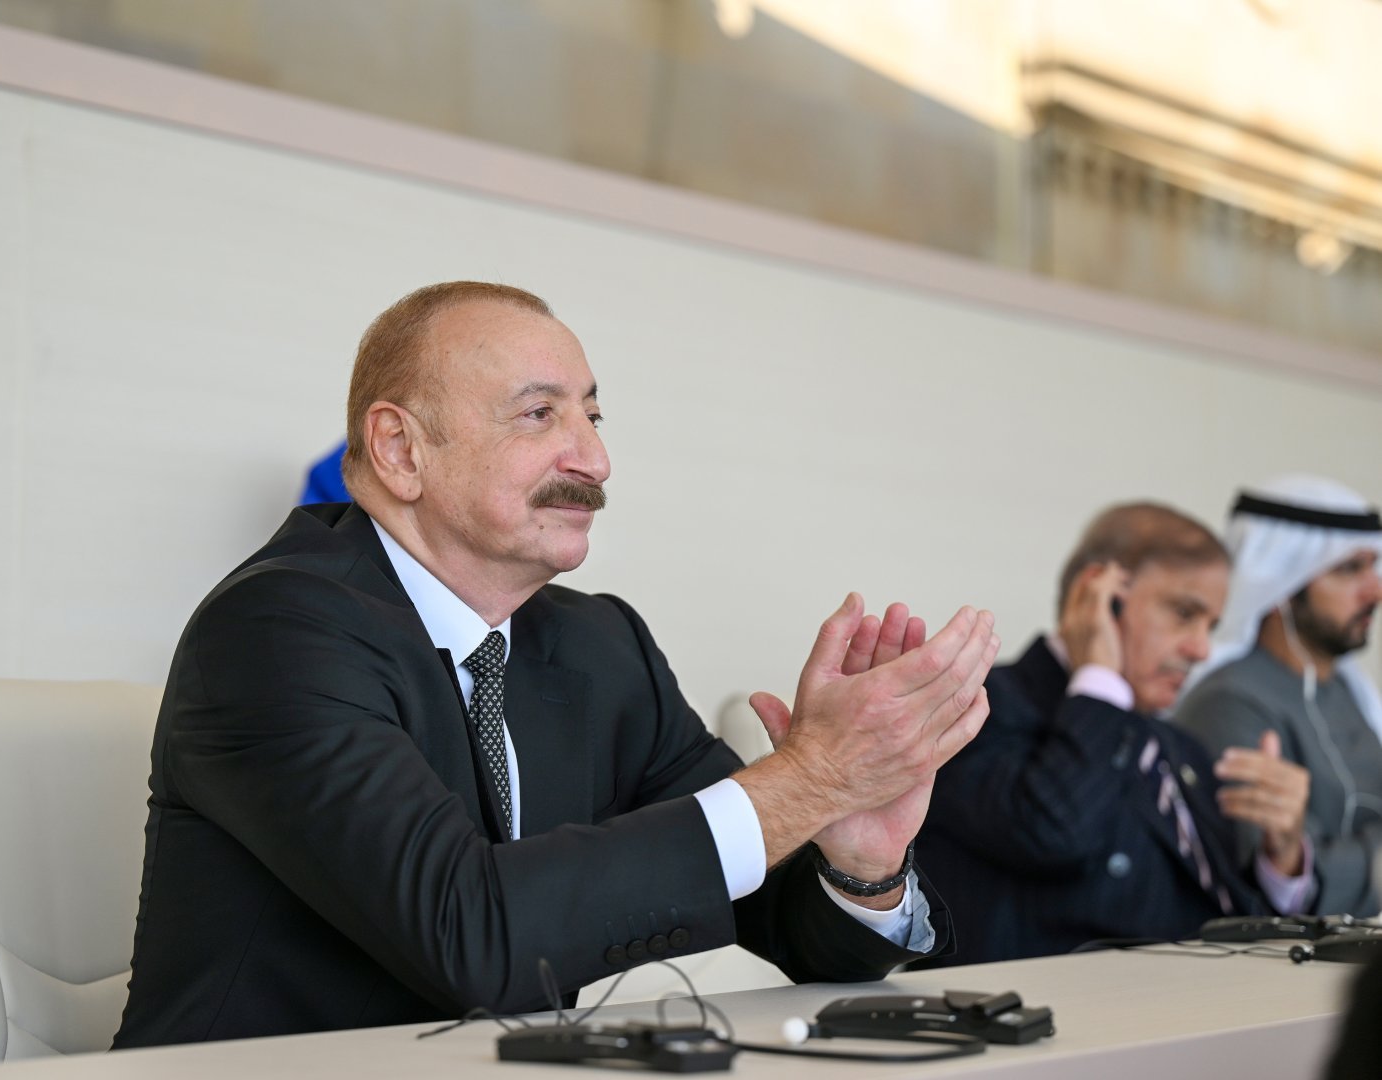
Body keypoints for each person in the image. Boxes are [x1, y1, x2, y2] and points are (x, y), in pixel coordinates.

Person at [112, 282, 999, 1045]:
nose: (595, 460)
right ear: (400, 450)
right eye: (540, 415)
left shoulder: (600, 645)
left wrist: (857, 858)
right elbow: (469, 936)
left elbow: (795, 931)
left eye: (593, 415)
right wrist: (810, 779)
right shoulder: (274, 630)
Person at [915, 503, 1315, 966]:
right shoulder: (975, 706)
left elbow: (1217, 907)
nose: (1202, 649)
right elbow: (1054, 834)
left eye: (1210, 626)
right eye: (1184, 613)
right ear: (1100, 596)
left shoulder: (1179, 745)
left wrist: (1282, 862)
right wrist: (1099, 680)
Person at [1174, 475, 1382, 916]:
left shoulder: (1349, 690)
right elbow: (1280, 876)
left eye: (1373, 566)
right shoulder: (1230, 701)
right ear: (1282, 584)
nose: (1375, 590)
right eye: (1349, 570)